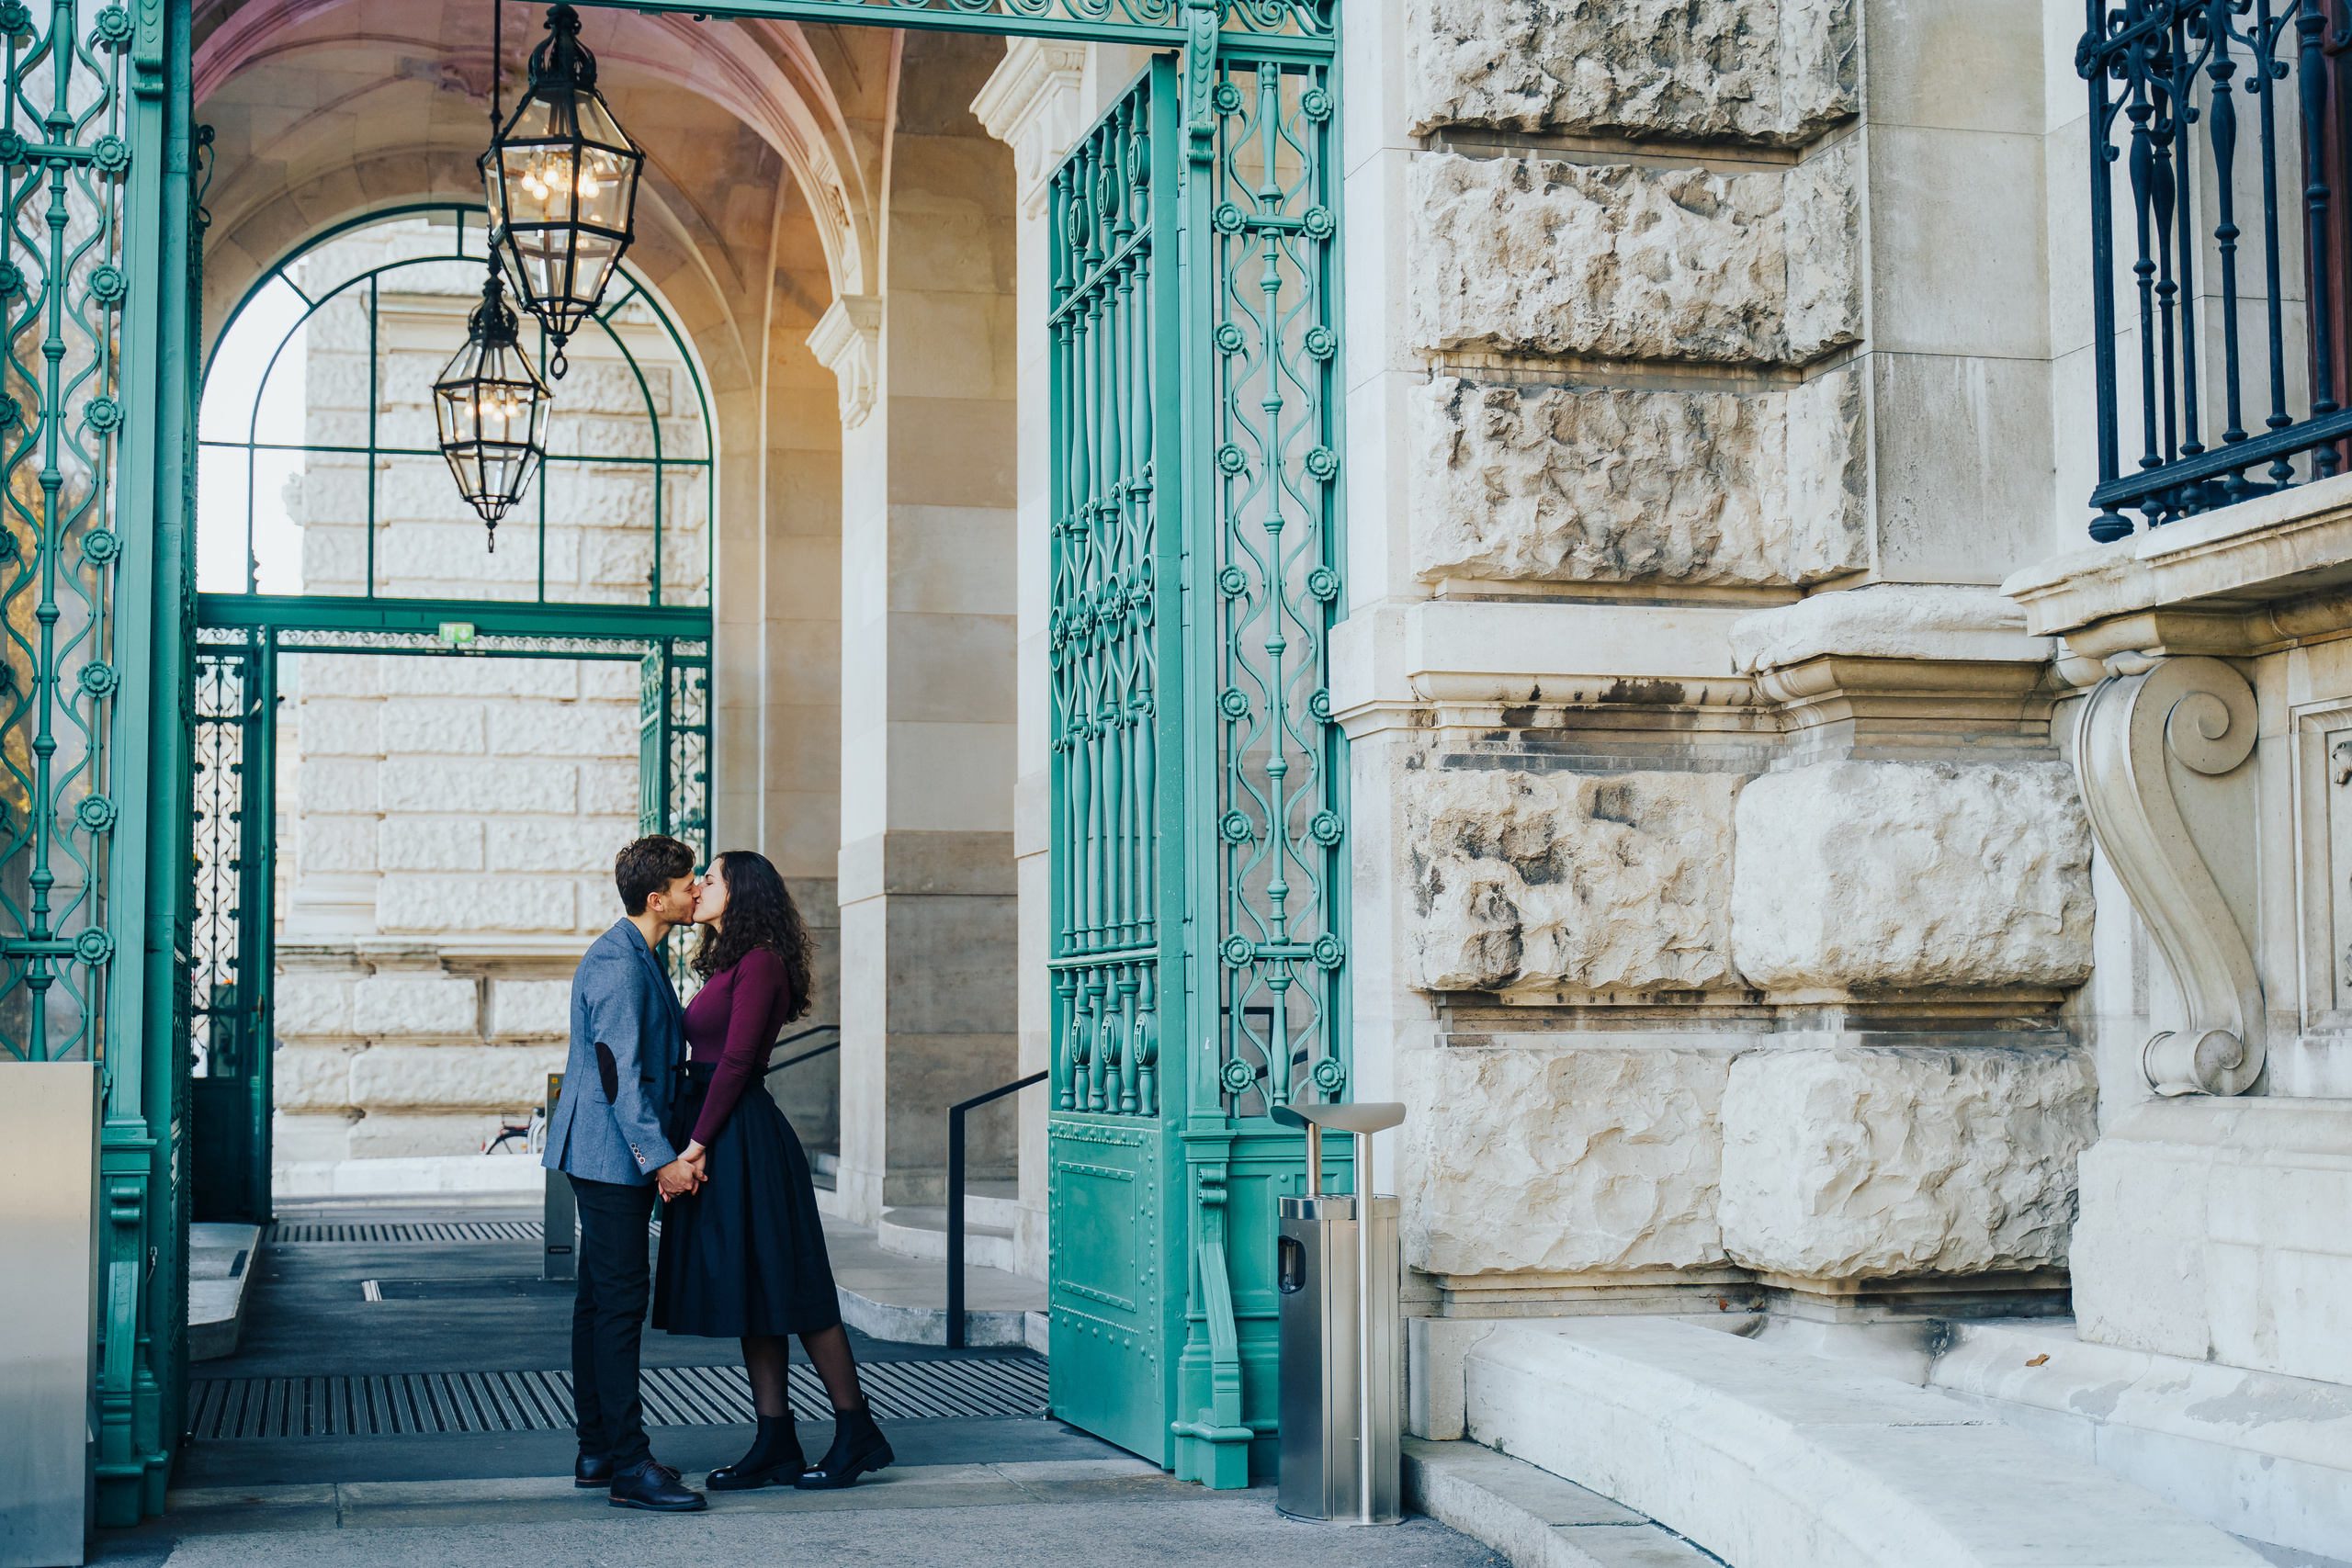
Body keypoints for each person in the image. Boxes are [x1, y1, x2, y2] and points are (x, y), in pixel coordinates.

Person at [652, 849, 893, 1491]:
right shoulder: (732, 961)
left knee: (796, 1287)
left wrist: (696, 1144)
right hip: (722, 1131)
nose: (698, 885)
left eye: (711, 877)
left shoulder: (760, 963)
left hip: (741, 1136)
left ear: (745, 890)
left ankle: (856, 1428)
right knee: (754, 1293)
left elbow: (734, 1063)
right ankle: (775, 1438)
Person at [542, 834, 709, 1513]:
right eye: (687, 881)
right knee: (617, 1305)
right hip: (612, 1158)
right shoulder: (618, 964)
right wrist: (662, 1160)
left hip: (607, 1153)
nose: (695, 890)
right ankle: (630, 1465)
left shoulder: (636, 954)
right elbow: (619, 1078)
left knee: (597, 1302)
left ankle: (599, 1448)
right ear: (656, 896)